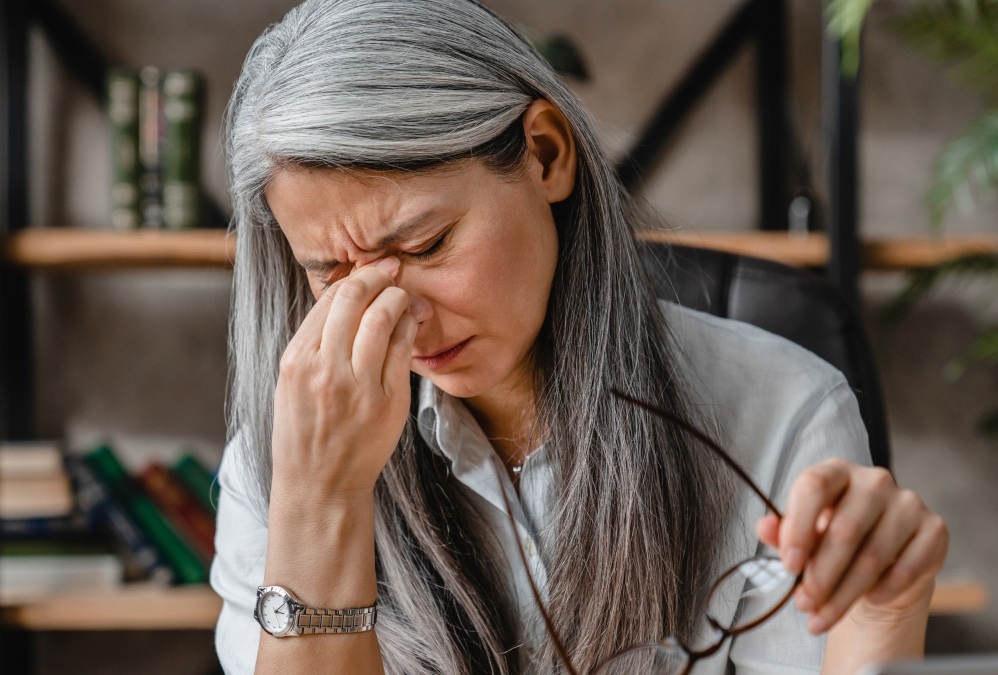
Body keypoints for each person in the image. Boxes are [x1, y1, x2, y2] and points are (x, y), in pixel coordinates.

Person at [210, 0, 949, 673]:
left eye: (427, 245)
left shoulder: (783, 414)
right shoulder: (274, 470)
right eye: (329, 270)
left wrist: (884, 612)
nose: (399, 320)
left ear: (546, 154)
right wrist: (321, 503)